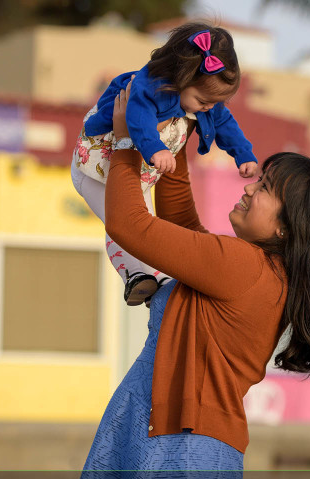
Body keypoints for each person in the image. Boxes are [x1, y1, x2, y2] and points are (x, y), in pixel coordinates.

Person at [68, 81, 310, 479]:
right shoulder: (257, 271)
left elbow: (129, 225)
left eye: (264, 190)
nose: (248, 189)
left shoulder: (243, 267)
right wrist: (176, 137)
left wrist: (128, 139)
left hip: (182, 449)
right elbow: (182, 223)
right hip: (179, 439)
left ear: (287, 228)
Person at [71, 22, 258, 305]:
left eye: (213, 102)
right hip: (94, 172)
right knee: (121, 221)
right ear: (181, 78)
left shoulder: (204, 100)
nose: (208, 107)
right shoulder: (147, 88)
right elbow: (138, 119)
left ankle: (150, 280)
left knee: (143, 226)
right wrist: (155, 147)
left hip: (137, 177)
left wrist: (244, 154)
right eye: (203, 101)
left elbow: (225, 124)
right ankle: (138, 275)